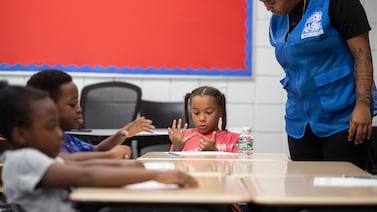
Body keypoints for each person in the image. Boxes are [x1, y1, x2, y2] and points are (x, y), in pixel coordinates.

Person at [0, 85, 198, 212]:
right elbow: (85, 176)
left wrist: (126, 167)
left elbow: (80, 163)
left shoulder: (32, 157)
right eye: (51, 127)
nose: (59, 134)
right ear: (20, 134)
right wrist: (154, 175)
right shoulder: (23, 159)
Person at [260, 0, 377, 169]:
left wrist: (363, 105)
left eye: (271, 2)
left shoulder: (337, 4)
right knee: (303, 191)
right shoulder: (277, 20)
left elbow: (363, 56)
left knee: (341, 191)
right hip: (299, 122)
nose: (268, 7)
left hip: (343, 119)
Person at [26, 69, 155, 161]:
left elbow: (97, 150)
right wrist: (110, 156)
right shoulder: (40, 145)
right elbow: (72, 164)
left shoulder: (66, 138)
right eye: (72, 105)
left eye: (77, 103)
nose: (79, 109)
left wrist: (123, 133)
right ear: (47, 107)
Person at [168, 86, 239, 153]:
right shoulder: (182, 139)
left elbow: (242, 165)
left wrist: (214, 153)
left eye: (208, 112)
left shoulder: (235, 139)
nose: (202, 118)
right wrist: (176, 149)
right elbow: (173, 165)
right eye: (196, 113)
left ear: (221, 112)